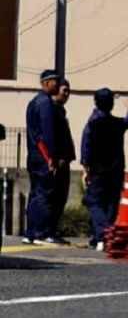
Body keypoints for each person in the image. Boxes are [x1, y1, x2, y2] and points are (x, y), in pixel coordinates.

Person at [80, 88, 128, 250]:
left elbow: (86, 146)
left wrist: (85, 168)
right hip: (115, 170)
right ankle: (104, 235)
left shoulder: (93, 123)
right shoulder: (117, 124)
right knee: (111, 203)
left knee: (94, 203)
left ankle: (102, 234)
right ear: (112, 104)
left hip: (98, 170)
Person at [23, 69, 61, 245]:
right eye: (54, 81)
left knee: (35, 193)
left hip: (33, 155)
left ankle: (30, 232)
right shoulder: (45, 103)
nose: (58, 84)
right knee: (42, 194)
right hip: (43, 155)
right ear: (45, 83)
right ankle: (38, 232)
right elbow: (48, 134)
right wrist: (51, 158)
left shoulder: (33, 102)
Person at [47, 79, 75, 244]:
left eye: (68, 91)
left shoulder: (61, 111)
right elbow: (52, 137)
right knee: (53, 197)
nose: (67, 94)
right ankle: (48, 231)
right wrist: (56, 158)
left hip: (64, 161)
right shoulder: (51, 110)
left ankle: (53, 230)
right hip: (57, 162)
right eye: (64, 90)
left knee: (60, 198)